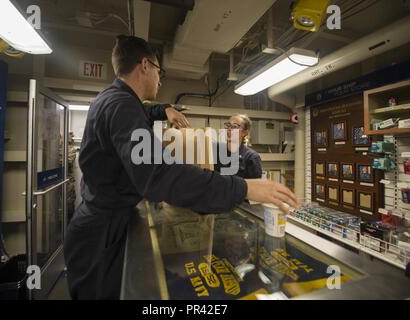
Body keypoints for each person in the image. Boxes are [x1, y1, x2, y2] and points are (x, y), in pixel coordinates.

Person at [63, 35, 298, 300]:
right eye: (158, 71)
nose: (160, 80)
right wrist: (243, 187)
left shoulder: (113, 99)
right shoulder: (121, 106)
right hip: (101, 239)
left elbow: (143, 113)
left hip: (99, 225)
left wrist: (164, 110)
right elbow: (159, 175)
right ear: (144, 65)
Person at [215, 114, 262, 179]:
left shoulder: (251, 157)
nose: (229, 129)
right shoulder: (216, 150)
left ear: (244, 133)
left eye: (234, 126)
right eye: (228, 125)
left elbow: (256, 186)